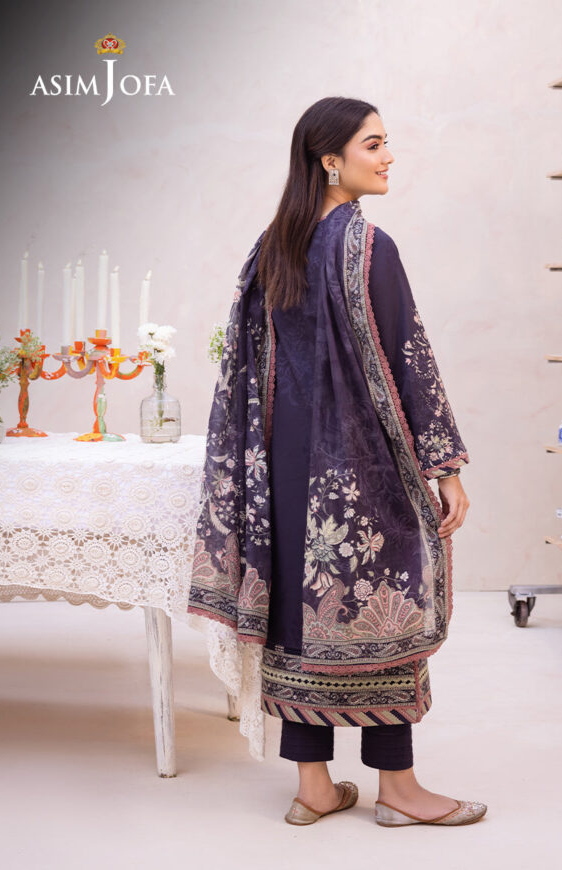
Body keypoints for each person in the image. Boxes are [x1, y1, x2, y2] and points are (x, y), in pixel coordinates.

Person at [187, 96, 486, 827]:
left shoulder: (271, 248)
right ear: (330, 160)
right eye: (373, 145)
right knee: (382, 611)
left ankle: (313, 787)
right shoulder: (369, 246)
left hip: (284, 472)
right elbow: (409, 360)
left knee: (300, 616)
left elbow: (249, 369)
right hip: (361, 468)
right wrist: (444, 466)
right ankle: (400, 793)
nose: (388, 157)